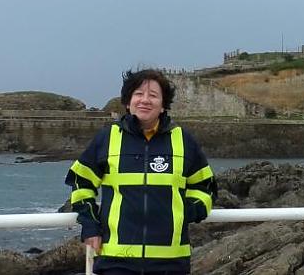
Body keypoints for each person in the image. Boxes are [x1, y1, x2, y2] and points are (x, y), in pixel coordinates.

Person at [65, 68, 217, 275]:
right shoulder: (107, 138)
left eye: (153, 95)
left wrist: (185, 213)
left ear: (163, 106)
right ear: (128, 102)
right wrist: (90, 225)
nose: (145, 100)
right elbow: (80, 181)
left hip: (170, 262)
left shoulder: (183, 140)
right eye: (138, 94)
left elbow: (205, 186)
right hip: (116, 261)